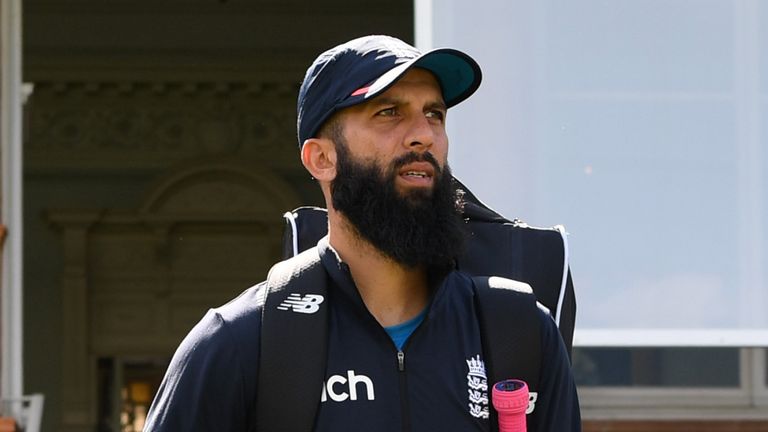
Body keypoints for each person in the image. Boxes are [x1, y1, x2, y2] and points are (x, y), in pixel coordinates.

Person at [144, 35, 581, 431]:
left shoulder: (520, 332)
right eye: (389, 112)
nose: (423, 135)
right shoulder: (238, 342)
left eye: (435, 114)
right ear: (321, 160)